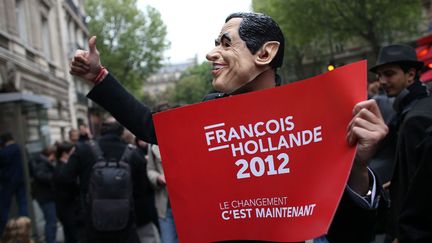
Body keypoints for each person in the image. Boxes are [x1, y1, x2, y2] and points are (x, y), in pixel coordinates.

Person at [69, 12, 388, 242]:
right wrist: (99, 77)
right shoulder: (211, 111)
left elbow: (354, 234)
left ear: (266, 53)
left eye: (225, 43)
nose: (211, 54)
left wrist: (357, 169)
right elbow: (151, 127)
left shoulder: (320, 119)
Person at [369, 44, 432, 242]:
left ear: (411, 75)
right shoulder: (410, 109)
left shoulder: (416, 119)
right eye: (380, 75)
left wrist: (404, 235)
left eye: (389, 74)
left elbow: (421, 189)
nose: (382, 81)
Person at [60, 117, 149, 243]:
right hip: (125, 221)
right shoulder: (133, 153)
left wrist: (82, 194)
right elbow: (143, 188)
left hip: (92, 220)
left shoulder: (84, 150)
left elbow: (64, 177)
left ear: (101, 131)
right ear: (121, 132)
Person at [0, 132, 29, 237]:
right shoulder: (19, 148)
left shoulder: (4, 152)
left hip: (8, 182)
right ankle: (24, 226)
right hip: (20, 180)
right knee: (22, 203)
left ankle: (3, 230)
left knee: (4, 207)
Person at [147, 144, 177, 243]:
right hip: (165, 206)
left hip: (187, 205)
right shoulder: (152, 144)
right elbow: (150, 170)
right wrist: (158, 178)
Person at [53, 142, 82, 243]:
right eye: (73, 153)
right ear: (65, 154)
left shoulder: (61, 167)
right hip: (68, 208)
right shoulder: (62, 169)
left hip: (67, 208)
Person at [134, 138, 161, 243]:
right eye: (139, 141)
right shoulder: (150, 147)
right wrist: (157, 178)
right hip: (161, 200)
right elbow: (150, 170)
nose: (142, 142)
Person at [30, 146, 58, 243]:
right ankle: (51, 240)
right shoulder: (42, 164)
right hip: (46, 197)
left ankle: (51, 239)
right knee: (51, 220)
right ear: (52, 155)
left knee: (51, 220)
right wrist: (55, 176)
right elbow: (41, 176)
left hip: (45, 196)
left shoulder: (42, 162)